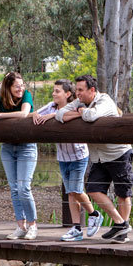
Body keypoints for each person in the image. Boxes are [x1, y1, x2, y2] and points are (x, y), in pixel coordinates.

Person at [55, 74, 133, 244]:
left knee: (122, 193)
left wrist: (81, 111)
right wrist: (79, 111)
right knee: (92, 189)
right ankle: (121, 223)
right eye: (76, 90)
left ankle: (122, 233)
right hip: (98, 156)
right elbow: (60, 114)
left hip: (118, 153)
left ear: (92, 90)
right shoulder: (80, 101)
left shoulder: (104, 101)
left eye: (81, 90)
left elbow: (91, 116)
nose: (77, 94)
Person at [31, 79, 102, 242]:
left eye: (57, 91)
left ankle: (94, 214)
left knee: (76, 190)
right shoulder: (51, 106)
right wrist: (35, 114)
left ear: (67, 94)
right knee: (71, 192)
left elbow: (80, 115)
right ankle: (76, 227)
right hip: (62, 157)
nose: (54, 94)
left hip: (78, 155)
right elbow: (34, 113)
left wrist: (54, 116)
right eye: (53, 91)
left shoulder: (76, 105)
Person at [0, 72, 38, 240]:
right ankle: (21, 226)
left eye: (22, 85)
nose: (21, 88)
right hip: (8, 148)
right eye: (17, 86)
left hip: (27, 147)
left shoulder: (26, 95)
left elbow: (24, 114)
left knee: (24, 187)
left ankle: (33, 225)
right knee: (14, 188)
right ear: (8, 88)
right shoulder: (1, 100)